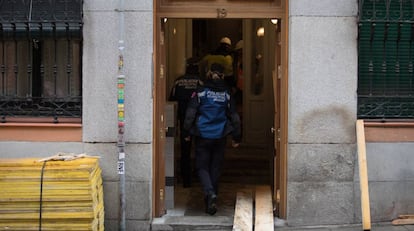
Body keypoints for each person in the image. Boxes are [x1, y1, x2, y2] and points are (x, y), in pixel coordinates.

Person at [183, 63, 241, 215]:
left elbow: (190, 114)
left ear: (208, 74)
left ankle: (210, 193)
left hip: (203, 135)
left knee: (202, 167)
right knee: (215, 168)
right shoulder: (227, 93)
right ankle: (211, 200)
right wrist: (237, 136)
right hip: (220, 135)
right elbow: (234, 117)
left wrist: (186, 132)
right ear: (223, 76)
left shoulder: (201, 92)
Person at [169, 57, 203, 188]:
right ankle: (200, 177)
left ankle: (186, 180)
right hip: (199, 121)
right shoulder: (200, 82)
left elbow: (171, 101)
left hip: (183, 121)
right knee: (200, 150)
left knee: (185, 151)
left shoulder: (178, 82)